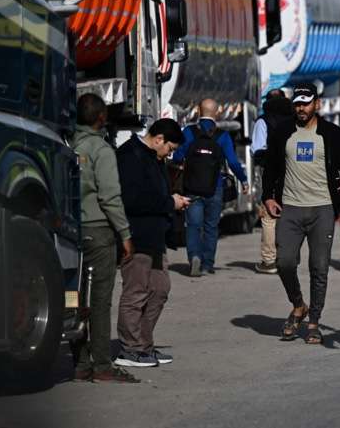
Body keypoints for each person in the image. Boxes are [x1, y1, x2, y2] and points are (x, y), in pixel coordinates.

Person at [262, 83, 340, 345]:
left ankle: (313, 322)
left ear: (317, 104)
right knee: (284, 262)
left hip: (322, 208)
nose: (301, 108)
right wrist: (268, 197)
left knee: (319, 267)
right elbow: (270, 166)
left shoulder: (331, 133)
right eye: (297, 103)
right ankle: (298, 305)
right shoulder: (283, 131)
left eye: (306, 103)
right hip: (290, 207)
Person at [71, 94, 138, 383]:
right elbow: (109, 197)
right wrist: (124, 234)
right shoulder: (101, 150)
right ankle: (102, 366)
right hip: (98, 230)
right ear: (101, 118)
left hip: (70, 231)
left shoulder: (66, 145)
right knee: (99, 301)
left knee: (75, 298)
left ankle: (80, 363)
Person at [114, 118, 190, 368]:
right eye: (170, 148)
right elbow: (132, 200)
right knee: (135, 293)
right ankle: (130, 349)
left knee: (159, 289)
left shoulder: (154, 158)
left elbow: (156, 193)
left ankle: (144, 345)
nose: (170, 153)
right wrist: (170, 203)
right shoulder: (129, 156)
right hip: (137, 237)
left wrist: (172, 199)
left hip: (156, 238)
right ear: (159, 139)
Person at [172, 98, 249, 277]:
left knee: (193, 225)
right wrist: (243, 180)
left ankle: (194, 257)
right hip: (215, 188)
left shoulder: (189, 132)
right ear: (217, 113)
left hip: (192, 187)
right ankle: (207, 264)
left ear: (199, 111)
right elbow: (233, 162)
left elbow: (177, 156)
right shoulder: (222, 136)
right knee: (211, 227)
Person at [251, 92, 294, 274]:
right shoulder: (294, 122)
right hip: (293, 173)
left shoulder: (263, 122)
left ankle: (269, 260)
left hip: (271, 172)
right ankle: (286, 257)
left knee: (269, 216)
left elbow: (258, 150)